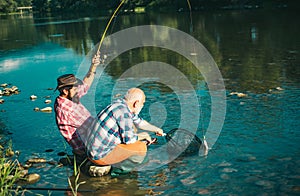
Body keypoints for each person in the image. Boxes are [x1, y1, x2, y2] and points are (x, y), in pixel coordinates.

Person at [85, 88, 164, 174]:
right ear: (136, 103)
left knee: (136, 136)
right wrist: (144, 136)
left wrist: (156, 129)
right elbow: (129, 140)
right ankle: (118, 172)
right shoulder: (124, 113)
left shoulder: (119, 105)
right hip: (99, 156)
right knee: (141, 148)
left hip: (91, 152)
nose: (142, 106)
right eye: (143, 103)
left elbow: (140, 122)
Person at [54, 52, 100, 160]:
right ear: (65, 90)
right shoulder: (65, 109)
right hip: (89, 148)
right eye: (75, 88)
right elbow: (70, 134)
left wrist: (93, 66)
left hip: (92, 137)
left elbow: (85, 85)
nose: (77, 90)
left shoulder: (69, 96)